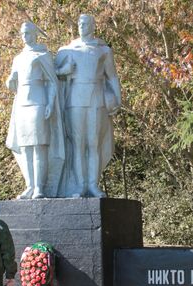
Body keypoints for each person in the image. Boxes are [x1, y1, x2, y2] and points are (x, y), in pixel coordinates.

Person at [56, 14, 121, 198]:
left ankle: (93, 184)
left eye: (85, 23)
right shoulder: (67, 50)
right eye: (79, 23)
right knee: (77, 144)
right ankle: (79, 186)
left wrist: (118, 97)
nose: (81, 26)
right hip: (75, 99)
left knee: (93, 143)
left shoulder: (103, 50)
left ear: (93, 26)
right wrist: (63, 71)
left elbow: (112, 76)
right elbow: (53, 77)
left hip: (96, 99)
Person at [6, 21, 65, 199]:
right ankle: (30, 185)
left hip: (38, 103)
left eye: (28, 33)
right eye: (23, 33)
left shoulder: (42, 54)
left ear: (34, 34)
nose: (25, 36)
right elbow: (13, 84)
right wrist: (10, 80)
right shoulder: (18, 58)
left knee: (39, 147)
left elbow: (52, 82)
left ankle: (40, 187)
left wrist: (49, 103)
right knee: (25, 148)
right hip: (21, 104)